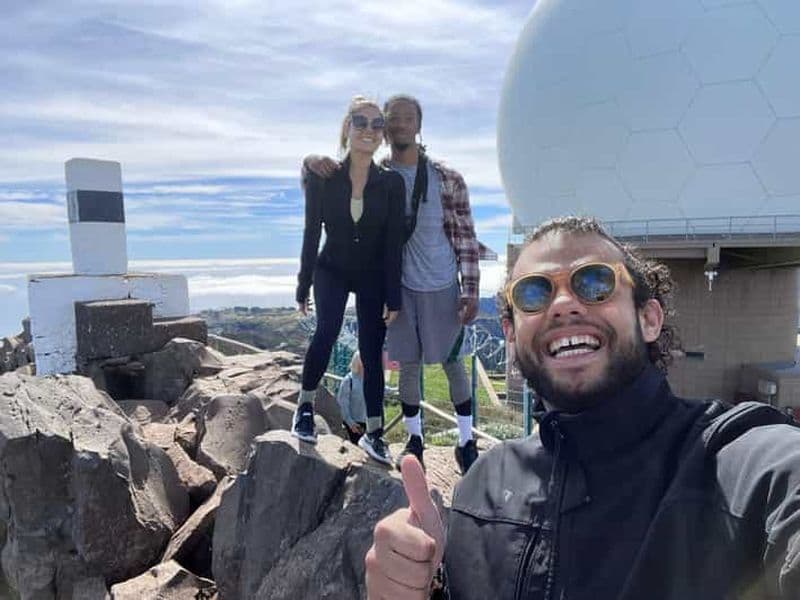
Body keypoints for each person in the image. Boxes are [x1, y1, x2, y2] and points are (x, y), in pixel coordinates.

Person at [365, 215, 800, 599]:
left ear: (649, 319)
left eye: (595, 282)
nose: (563, 304)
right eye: (534, 293)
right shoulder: (482, 486)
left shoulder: (733, 466)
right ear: (512, 336)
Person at [305, 94, 481, 475]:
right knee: (409, 366)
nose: (400, 125)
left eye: (407, 118)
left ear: (418, 125)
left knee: (453, 363)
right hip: (398, 287)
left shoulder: (446, 178)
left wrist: (471, 288)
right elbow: (334, 180)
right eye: (393, 119)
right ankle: (414, 441)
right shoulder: (375, 173)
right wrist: (308, 162)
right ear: (385, 129)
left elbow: (465, 236)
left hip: (441, 283)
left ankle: (467, 442)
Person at [293, 95, 405, 466]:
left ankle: (374, 433)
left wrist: (394, 296)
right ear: (347, 128)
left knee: (372, 350)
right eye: (360, 122)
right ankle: (305, 408)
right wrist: (303, 285)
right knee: (327, 329)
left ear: (383, 135)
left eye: (377, 124)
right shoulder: (324, 177)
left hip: (372, 272)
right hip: (332, 269)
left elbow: (393, 244)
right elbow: (311, 234)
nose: (369, 130)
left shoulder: (390, 184)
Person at [336, 351, 368, 444]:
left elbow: (381, 389)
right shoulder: (348, 380)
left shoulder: (370, 378)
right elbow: (342, 404)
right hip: (354, 424)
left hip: (368, 423)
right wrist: (350, 423)